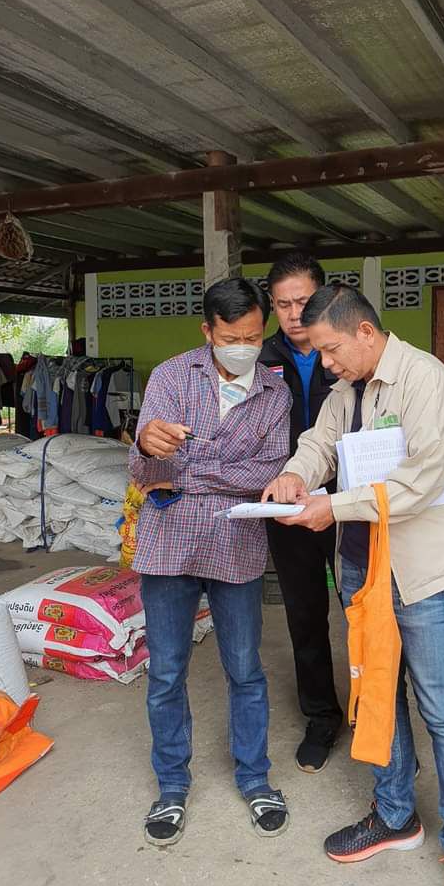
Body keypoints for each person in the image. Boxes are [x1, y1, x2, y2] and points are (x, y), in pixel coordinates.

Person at [263, 285, 444, 886]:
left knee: (440, 706)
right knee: (376, 695)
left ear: (365, 332)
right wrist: (294, 474)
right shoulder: (347, 390)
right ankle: (394, 815)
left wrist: (333, 506)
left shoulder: (428, 381)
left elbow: (423, 479)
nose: (326, 364)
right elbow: (319, 443)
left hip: (421, 571)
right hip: (362, 567)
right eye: (319, 352)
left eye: (331, 350)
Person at [129, 277, 293, 847]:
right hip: (169, 545)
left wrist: (190, 473)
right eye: (230, 337)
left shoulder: (275, 394)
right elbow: (147, 473)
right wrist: (146, 446)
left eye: (252, 336)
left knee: (244, 669)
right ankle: (172, 785)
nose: (243, 347)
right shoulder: (170, 377)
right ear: (208, 331)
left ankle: (255, 778)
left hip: (236, 547)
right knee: (166, 673)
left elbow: (269, 472)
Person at [258, 252, 343, 772]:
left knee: (366, 611)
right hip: (287, 503)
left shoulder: (346, 349)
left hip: (349, 501)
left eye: (303, 302)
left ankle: (377, 709)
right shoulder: (260, 357)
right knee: (305, 613)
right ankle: (321, 716)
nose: (294, 314)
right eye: (283, 304)